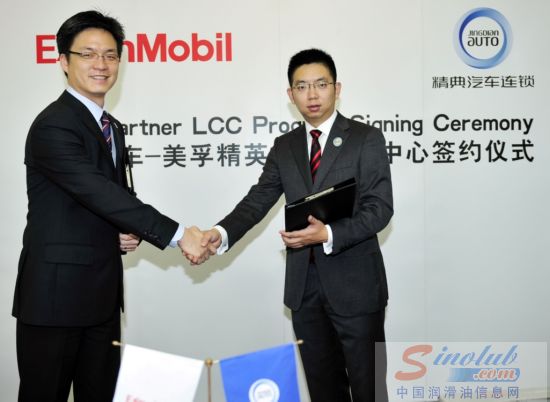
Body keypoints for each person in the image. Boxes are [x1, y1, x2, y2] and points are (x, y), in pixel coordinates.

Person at [13, 10, 209, 402]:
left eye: (110, 55)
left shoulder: (110, 126)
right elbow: (98, 191)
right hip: (54, 299)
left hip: (101, 298)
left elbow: (111, 201)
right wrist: (177, 235)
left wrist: (117, 231)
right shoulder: (54, 124)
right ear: (63, 61)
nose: (100, 64)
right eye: (87, 54)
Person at [195, 48, 393, 402]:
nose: (312, 94)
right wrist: (220, 233)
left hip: (357, 288)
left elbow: (379, 209)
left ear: (337, 88)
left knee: (370, 390)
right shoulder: (284, 146)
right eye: (302, 87)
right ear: (290, 94)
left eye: (321, 84)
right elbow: (258, 199)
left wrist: (328, 233)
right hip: (305, 291)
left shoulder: (366, 138)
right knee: (323, 390)